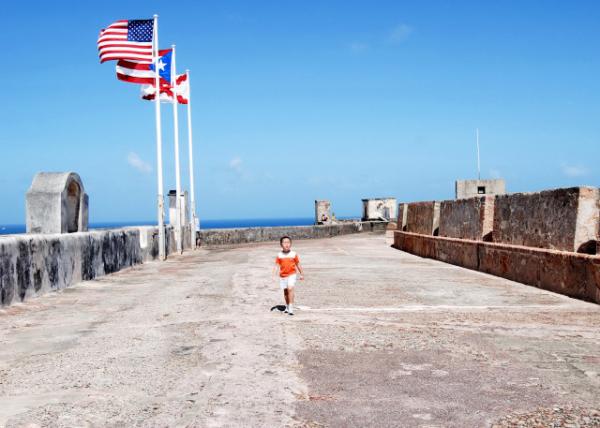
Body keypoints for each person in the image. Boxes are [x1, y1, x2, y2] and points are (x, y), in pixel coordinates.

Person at [273, 236, 304, 315]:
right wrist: (273, 275)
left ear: (290, 244)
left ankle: (290, 307)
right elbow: (276, 265)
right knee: (286, 292)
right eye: (284, 242)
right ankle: (287, 306)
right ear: (281, 244)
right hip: (283, 276)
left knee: (290, 288)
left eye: (288, 242)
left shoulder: (294, 254)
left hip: (292, 274)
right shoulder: (279, 255)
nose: (286, 244)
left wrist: (301, 274)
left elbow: (298, 264)